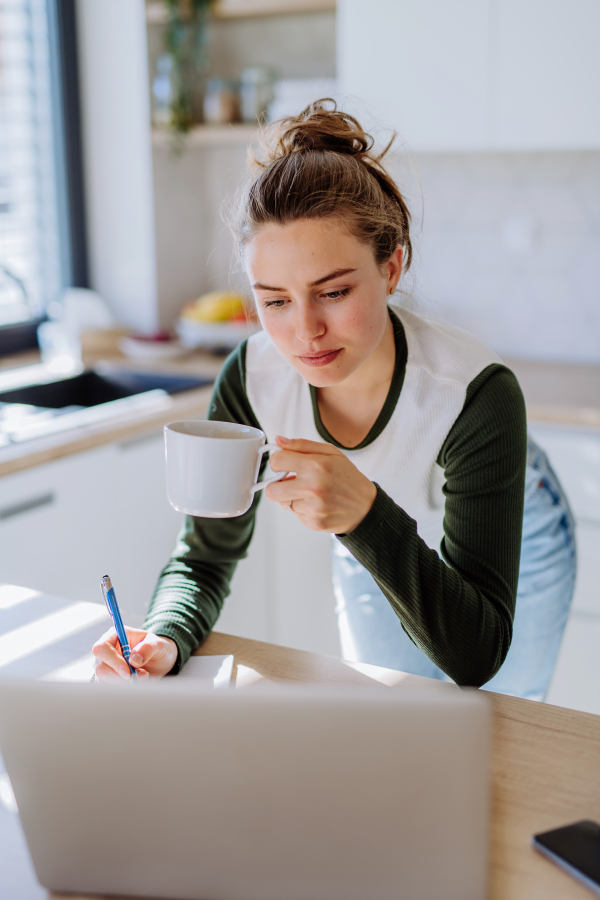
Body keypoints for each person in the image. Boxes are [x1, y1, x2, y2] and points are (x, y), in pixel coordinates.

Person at [93, 101, 576, 700]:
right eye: (274, 301)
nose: (305, 331)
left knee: (499, 734)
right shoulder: (251, 380)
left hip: (511, 540)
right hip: (374, 541)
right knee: (389, 722)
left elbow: (476, 654)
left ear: (392, 266)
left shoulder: (474, 394)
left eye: (335, 291)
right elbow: (205, 555)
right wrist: (163, 637)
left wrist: (363, 515)